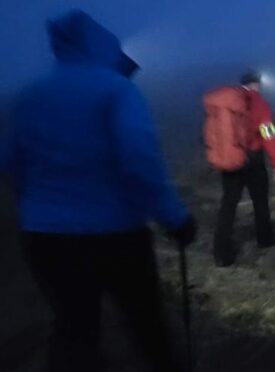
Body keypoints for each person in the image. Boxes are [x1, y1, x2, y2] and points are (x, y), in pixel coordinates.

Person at [0, 10, 196, 372]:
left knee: (74, 329)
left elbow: (9, 162)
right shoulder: (116, 89)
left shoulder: (30, 96)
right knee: (146, 323)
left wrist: (43, 203)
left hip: (45, 238)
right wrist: (174, 219)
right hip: (114, 234)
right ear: (103, 46)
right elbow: (140, 162)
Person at [206, 71, 275, 267]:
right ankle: (265, 239)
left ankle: (221, 254)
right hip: (254, 161)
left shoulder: (226, 104)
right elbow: (268, 135)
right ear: (257, 85)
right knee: (260, 201)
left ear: (242, 84)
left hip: (230, 160)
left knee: (228, 206)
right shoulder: (260, 105)